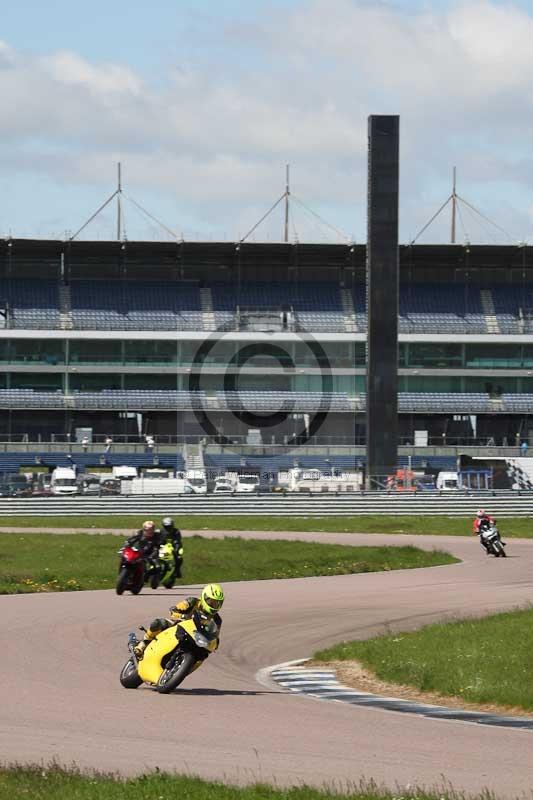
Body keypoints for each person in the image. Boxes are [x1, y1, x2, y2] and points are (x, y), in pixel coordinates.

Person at [133, 583, 225, 658]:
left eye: (217, 603)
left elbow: (215, 635)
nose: (213, 605)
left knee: (203, 654)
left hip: (197, 638)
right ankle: (143, 643)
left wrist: (215, 643)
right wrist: (183, 616)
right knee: (158, 623)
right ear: (204, 597)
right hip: (178, 626)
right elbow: (174, 610)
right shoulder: (192, 601)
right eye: (211, 602)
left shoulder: (217, 620)